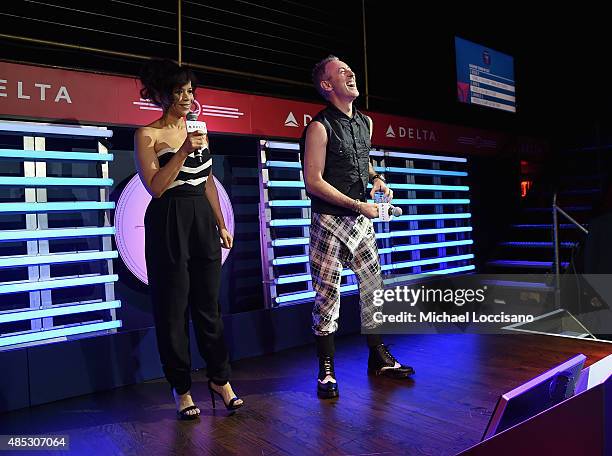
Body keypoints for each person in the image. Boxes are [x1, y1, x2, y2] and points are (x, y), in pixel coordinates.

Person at [134, 59, 243, 420]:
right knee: (172, 311)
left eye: (190, 91)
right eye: (179, 91)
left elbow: (207, 179)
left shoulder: (199, 129)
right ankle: (181, 388)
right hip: (168, 219)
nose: (186, 97)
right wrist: (182, 151)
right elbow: (156, 187)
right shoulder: (147, 135)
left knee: (209, 307)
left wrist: (220, 221)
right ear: (164, 95)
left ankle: (220, 380)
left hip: (200, 219)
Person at [301, 55, 415, 399]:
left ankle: (378, 357)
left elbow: (361, 162)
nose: (350, 73)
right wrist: (357, 205)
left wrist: (377, 179)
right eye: (341, 72)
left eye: (350, 69)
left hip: (361, 222)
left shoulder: (366, 122)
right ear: (326, 85)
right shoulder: (319, 127)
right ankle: (326, 370)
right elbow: (313, 182)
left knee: (373, 290)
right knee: (327, 298)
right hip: (330, 223)